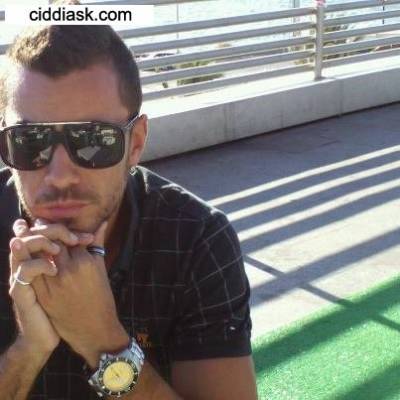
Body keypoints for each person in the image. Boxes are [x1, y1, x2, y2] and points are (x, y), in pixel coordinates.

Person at [0, 12, 257, 400]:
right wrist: (29, 349)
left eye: (93, 140)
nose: (59, 176)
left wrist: (103, 340)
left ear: (135, 143)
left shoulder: (194, 239)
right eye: (29, 141)